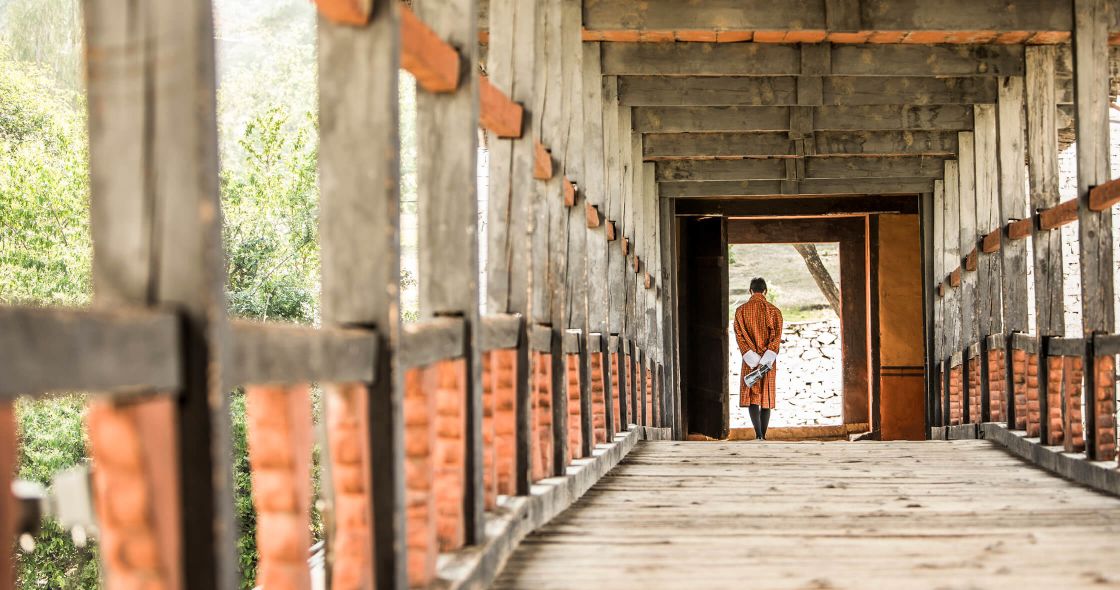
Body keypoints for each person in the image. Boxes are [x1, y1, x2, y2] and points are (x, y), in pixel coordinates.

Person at [733, 277, 784, 441]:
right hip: (768, 362)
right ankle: (764, 435)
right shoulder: (774, 311)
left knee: (753, 397)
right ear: (765, 291)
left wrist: (752, 357)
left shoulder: (740, 311)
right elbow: (776, 338)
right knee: (766, 396)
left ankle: (758, 435)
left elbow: (739, 337)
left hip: (749, 361)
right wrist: (765, 359)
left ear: (750, 291)